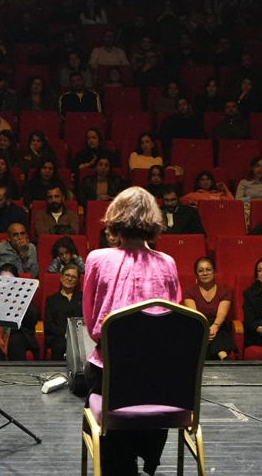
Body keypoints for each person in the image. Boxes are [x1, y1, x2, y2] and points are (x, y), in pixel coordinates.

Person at [81, 187, 182, 476]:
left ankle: (119, 465)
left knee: (96, 371)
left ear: (116, 221)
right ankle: (147, 458)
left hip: (112, 374)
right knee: (151, 372)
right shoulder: (169, 263)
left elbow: (92, 323)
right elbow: (173, 322)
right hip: (160, 380)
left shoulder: (97, 259)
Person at [0, 262, 41, 360]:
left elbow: (32, 320)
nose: (5, 284)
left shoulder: (23, 296)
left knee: (16, 342)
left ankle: (16, 374)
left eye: (9, 280)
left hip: (17, 334)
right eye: (2, 280)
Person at [183, 257, 236, 361]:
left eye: (208, 269)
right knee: (204, 325)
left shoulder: (225, 292)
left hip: (218, 327)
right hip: (198, 326)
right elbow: (195, 315)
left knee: (217, 330)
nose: (205, 273)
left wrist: (214, 328)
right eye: (200, 271)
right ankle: (223, 356)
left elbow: (222, 314)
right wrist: (206, 330)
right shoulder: (189, 291)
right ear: (196, 274)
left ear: (215, 272)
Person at [43, 263, 83, 359]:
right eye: (67, 275)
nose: (69, 279)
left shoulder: (83, 298)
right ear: (61, 277)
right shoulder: (51, 300)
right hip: (59, 336)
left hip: (79, 335)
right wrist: (66, 334)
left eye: (73, 277)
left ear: (77, 281)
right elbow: (49, 324)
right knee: (60, 346)